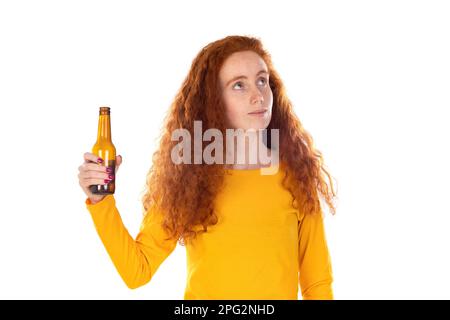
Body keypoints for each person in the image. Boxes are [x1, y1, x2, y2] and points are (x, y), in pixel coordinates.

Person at [77, 35, 337, 300]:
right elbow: (137, 271)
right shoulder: (189, 180)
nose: (258, 96)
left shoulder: (296, 173)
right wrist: (101, 201)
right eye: (239, 85)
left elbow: (317, 284)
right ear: (214, 101)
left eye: (262, 80)